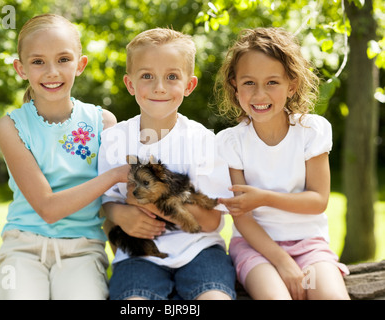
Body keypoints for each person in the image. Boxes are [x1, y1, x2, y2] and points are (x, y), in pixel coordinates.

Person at [0, 14, 129, 300]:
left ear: (80, 65)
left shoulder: (103, 122)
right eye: (38, 61)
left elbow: (116, 202)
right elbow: (47, 208)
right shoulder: (10, 126)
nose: (52, 71)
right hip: (22, 248)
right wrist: (114, 174)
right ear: (21, 68)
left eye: (63, 59)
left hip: (83, 249)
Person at [98, 28, 236, 300]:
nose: (159, 87)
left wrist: (149, 202)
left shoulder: (203, 141)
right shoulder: (114, 140)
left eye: (172, 76)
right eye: (147, 76)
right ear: (130, 84)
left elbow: (210, 221)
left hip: (199, 250)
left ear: (189, 85)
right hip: (139, 256)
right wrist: (120, 215)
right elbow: (104, 204)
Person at [216, 27, 350, 300]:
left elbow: (318, 200)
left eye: (272, 83)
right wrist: (283, 262)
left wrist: (263, 197)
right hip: (256, 249)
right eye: (249, 83)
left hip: (309, 245)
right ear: (234, 85)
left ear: (292, 85)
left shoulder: (311, 130)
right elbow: (242, 217)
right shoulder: (230, 141)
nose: (259, 94)